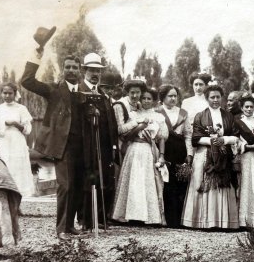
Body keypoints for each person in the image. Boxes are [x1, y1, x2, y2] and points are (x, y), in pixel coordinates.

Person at [20, 26, 85, 238]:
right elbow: (27, 81)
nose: (72, 70)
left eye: (75, 67)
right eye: (68, 67)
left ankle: (70, 226)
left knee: (76, 186)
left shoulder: (84, 93)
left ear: (80, 70)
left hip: (81, 145)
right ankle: (61, 229)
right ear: (63, 69)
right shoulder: (54, 90)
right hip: (62, 146)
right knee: (65, 186)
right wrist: (38, 52)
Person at [182, 84, 240, 229]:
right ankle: (203, 221)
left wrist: (224, 140)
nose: (215, 100)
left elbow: (236, 136)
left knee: (223, 184)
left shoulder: (229, 116)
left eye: (218, 97)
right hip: (204, 155)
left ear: (222, 98)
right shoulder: (200, 116)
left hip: (223, 155)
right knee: (205, 184)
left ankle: (222, 222)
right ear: (207, 98)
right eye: (212, 97)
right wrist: (211, 141)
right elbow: (195, 139)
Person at [76, 53, 120, 230]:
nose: (95, 74)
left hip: (104, 145)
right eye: (91, 70)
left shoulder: (103, 95)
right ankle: (85, 219)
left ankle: (101, 217)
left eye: (98, 71)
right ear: (85, 70)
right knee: (87, 179)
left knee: (104, 178)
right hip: (85, 145)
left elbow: (112, 123)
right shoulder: (78, 92)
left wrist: (114, 144)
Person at [112, 89, 168, 224]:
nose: (146, 101)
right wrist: (139, 126)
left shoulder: (159, 117)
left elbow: (161, 139)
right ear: (140, 100)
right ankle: (130, 215)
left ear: (154, 101)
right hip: (134, 149)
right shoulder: (133, 115)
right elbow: (126, 136)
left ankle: (148, 216)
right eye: (144, 98)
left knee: (147, 181)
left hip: (149, 151)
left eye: (149, 99)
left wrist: (161, 156)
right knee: (134, 180)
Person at [0, 83, 35, 198]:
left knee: (18, 169)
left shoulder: (21, 109)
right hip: (3, 142)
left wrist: (15, 123)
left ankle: (16, 201)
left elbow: (27, 130)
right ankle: (5, 199)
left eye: (10, 93)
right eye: (5, 93)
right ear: (1, 94)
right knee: (5, 168)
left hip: (17, 143)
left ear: (15, 93)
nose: (7, 96)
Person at [157, 84, 193, 227]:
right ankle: (167, 219)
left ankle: (179, 220)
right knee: (166, 183)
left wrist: (189, 153)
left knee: (180, 183)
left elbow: (188, 135)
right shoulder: (157, 112)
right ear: (163, 98)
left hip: (179, 149)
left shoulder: (183, 113)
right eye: (169, 96)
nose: (173, 98)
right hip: (164, 148)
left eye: (175, 96)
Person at [235, 94, 254, 228]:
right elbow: (235, 142)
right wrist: (248, 146)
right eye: (246, 106)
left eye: (251, 107)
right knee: (244, 184)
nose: (248, 109)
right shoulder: (236, 122)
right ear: (241, 108)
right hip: (244, 157)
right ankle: (242, 220)